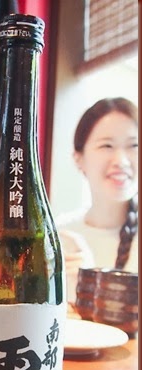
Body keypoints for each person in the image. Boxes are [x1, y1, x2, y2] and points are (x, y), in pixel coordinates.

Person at [56, 97, 138, 304]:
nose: (121, 161)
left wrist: (91, 284)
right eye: (107, 146)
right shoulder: (59, 237)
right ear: (78, 158)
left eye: (134, 145)